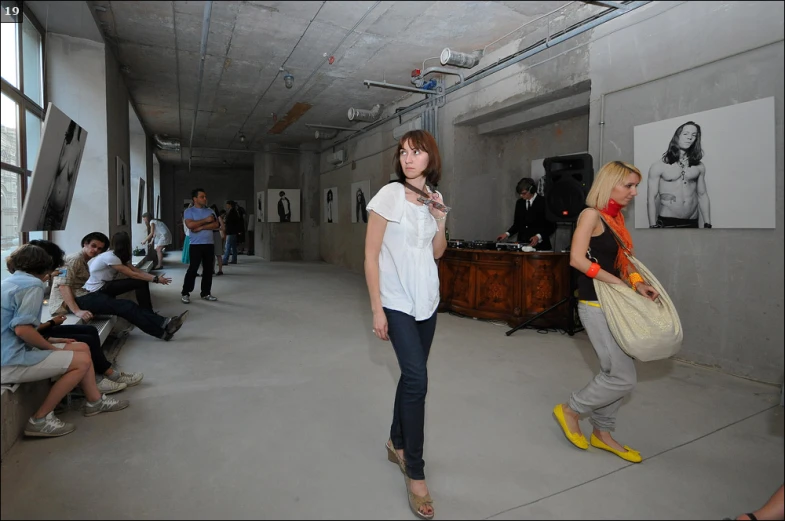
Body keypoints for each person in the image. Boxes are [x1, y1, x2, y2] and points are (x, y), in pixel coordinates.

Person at [552, 161, 659, 464]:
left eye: (636, 186)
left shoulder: (616, 219)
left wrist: (637, 284)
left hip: (616, 303)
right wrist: (618, 285)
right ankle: (571, 409)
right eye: (629, 185)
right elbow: (576, 259)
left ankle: (603, 433)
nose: (634, 192)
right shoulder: (591, 215)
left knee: (616, 373)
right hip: (596, 304)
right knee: (622, 378)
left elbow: (622, 262)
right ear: (609, 184)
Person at [365, 129, 447, 520]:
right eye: (403, 153)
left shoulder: (435, 197)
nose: (408, 159)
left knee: (412, 377)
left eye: (416, 152)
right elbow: (370, 255)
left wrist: (440, 221)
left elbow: (437, 251)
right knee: (417, 380)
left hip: (426, 301)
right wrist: (377, 308)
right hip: (396, 301)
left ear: (430, 158)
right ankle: (415, 469)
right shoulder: (389, 194)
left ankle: (395, 440)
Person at [2, 244, 129, 438]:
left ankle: (95, 401)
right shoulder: (33, 285)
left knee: (81, 346)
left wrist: (54, 339)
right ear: (44, 265)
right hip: (10, 361)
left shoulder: (11, 281)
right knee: (82, 362)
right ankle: (39, 419)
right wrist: (52, 347)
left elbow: (17, 328)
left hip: (11, 352)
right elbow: (22, 330)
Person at [30, 239, 143, 392]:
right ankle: (99, 382)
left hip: (39, 331)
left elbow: (28, 327)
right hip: (28, 342)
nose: (52, 275)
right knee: (83, 344)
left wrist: (50, 325)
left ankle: (107, 375)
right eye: (51, 270)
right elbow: (21, 331)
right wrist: (51, 342)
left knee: (90, 331)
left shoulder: (32, 284)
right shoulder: (31, 287)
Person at [51, 232, 188, 341]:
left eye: (99, 248)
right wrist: (76, 311)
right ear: (85, 244)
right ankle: (163, 328)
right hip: (73, 301)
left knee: (127, 306)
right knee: (126, 306)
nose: (95, 250)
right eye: (93, 246)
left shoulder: (84, 259)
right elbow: (62, 286)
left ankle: (164, 327)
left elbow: (134, 271)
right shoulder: (74, 259)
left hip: (84, 294)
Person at [647, 121, 712, 228]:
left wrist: (707, 223)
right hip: (668, 222)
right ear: (677, 136)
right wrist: (652, 226)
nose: (689, 137)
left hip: (692, 221)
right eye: (686, 134)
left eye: (694, 135)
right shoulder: (659, 166)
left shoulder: (699, 166)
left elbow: (702, 195)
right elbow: (651, 198)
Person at [85, 231, 172, 311]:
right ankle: (148, 313)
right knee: (140, 282)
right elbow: (133, 275)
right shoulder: (111, 257)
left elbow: (135, 270)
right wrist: (156, 279)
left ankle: (148, 312)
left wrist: (154, 277)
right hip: (97, 289)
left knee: (141, 282)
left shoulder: (116, 255)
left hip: (104, 285)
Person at [39, 120, 85, 231]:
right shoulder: (65, 145)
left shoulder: (78, 148)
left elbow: (72, 182)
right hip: (53, 203)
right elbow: (53, 179)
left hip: (60, 206)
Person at [181, 188, 220, 303]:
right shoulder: (189, 211)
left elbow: (216, 225)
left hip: (209, 244)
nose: (205, 199)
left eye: (205, 196)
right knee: (193, 269)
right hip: (196, 245)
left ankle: (206, 293)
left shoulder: (210, 211)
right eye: (202, 197)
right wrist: (206, 220)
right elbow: (190, 225)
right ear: (195, 199)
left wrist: (201, 227)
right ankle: (185, 293)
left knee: (208, 270)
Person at [496, 177, 556, 250]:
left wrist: (538, 236)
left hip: (541, 247)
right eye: (520, 194)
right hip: (522, 246)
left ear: (532, 190)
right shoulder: (519, 203)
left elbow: (552, 226)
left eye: (523, 193)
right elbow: (517, 224)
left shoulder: (544, 202)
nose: (521, 196)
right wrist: (507, 234)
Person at [223, 200, 242, 266]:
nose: (226, 206)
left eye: (227, 204)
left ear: (230, 205)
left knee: (228, 246)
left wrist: (225, 221)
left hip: (230, 231)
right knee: (233, 246)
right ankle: (234, 259)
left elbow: (230, 222)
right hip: (233, 231)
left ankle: (225, 260)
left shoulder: (231, 212)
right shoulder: (234, 212)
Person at [210, 205, 225, 275]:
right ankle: (212, 269)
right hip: (210, 235)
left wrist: (216, 229)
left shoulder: (218, 217)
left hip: (215, 234)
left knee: (218, 253)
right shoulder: (209, 217)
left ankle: (220, 270)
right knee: (211, 254)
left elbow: (223, 228)